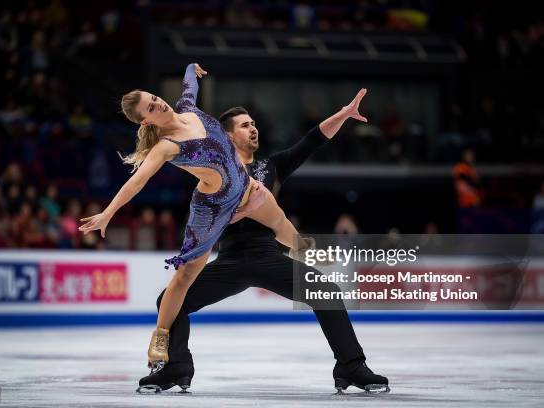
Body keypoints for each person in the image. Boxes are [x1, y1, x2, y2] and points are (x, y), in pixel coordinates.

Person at [137, 91, 390, 394]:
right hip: (229, 260)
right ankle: (177, 366)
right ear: (227, 136)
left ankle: (351, 366)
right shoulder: (212, 169)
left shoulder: (272, 168)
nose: (253, 128)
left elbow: (312, 140)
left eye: (253, 123)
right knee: (168, 299)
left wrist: (343, 114)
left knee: (327, 292)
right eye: (244, 125)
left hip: (267, 256)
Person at [78, 63, 308, 371]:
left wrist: (189, 69)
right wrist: (108, 212)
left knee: (278, 220)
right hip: (211, 209)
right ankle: (160, 335)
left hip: (244, 187)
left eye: (155, 97)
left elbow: (190, 87)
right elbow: (138, 181)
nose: (159, 102)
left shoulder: (188, 109)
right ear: (146, 120)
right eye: (151, 106)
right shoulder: (166, 146)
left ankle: (305, 252)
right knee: (186, 275)